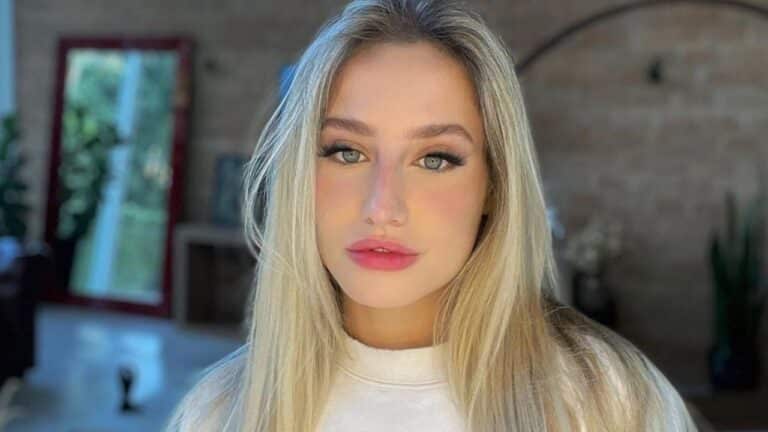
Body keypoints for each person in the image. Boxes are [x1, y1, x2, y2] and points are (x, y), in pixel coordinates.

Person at [166, 0, 699, 431]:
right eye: (347, 152)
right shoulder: (220, 412)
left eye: (436, 159)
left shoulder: (607, 401)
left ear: (494, 186)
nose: (382, 208)